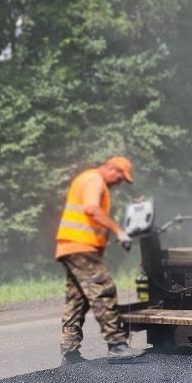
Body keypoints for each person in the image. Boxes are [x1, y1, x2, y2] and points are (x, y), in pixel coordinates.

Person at [55, 156, 137, 363]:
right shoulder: (94, 180)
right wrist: (119, 231)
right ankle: (117, 346)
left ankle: (69, 351)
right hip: (81, 246)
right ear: (111, 168)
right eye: (120, 177)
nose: (119, 183)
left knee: (77, 299)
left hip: (70, 246)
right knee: (103, 289)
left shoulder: (88, 179)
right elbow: (91, 209)